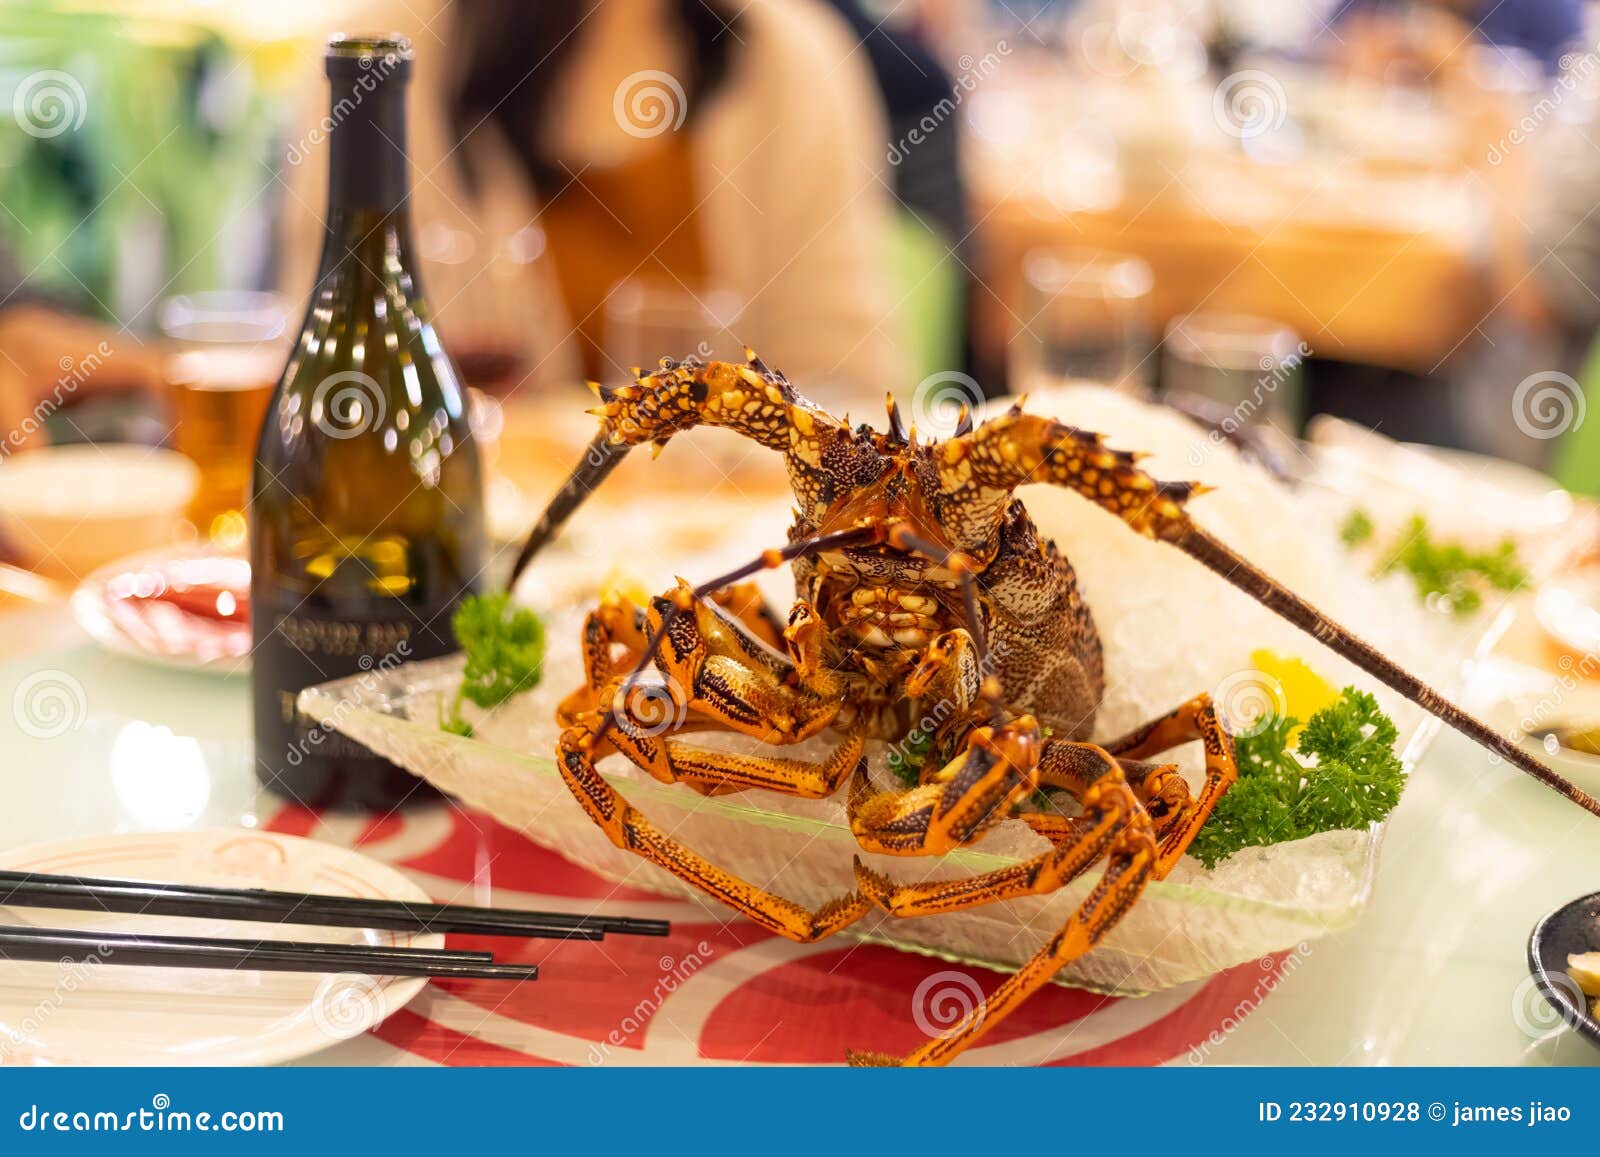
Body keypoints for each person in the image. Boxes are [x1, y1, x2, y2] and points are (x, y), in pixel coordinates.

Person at [281, 0, 908, 396]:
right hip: (470, 562)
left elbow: (846, 383)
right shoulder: (380, 61)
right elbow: (333, 383)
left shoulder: (791, 63)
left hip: (727, 564)